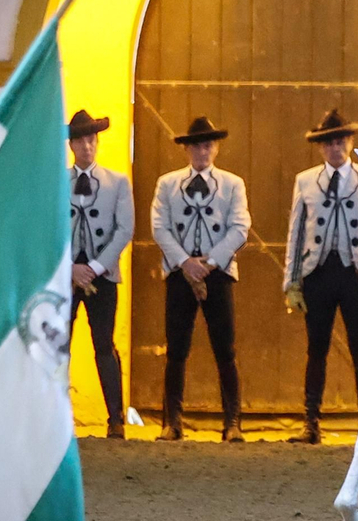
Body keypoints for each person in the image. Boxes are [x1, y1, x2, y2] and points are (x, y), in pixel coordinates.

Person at [150, 116, 251, 442]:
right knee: (176, 349)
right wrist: (184, 262)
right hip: (180, 272)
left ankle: (232, 422)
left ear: (216, 148)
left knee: (225, 349)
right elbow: (159, 227)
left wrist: (209, 262)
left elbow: (240, 228)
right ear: (187, 150)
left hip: (216, 273)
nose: (202, 152)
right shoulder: (168, 184)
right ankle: (172, 421)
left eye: (207, 146)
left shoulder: (232, 184)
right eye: (196, 146)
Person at [282, 109, 358, 444]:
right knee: (316, 348)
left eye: (340, 141)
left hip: (357, 272)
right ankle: (311, 422)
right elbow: (296, 233)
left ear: (349, 143)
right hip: (318, 273)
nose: (335, 148)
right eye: (328, 143)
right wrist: (292, 282)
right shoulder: (306, 180)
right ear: (321, 147)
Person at [65, 109, 134, 439]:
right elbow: (45, 230)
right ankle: (56, 418)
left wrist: (93, 267)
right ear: (72, 145)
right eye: (80, 140)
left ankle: (115, 418)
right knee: (58, 346)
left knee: (104, 344)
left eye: (91, 139)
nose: (87, 146)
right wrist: (69, 267)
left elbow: (124, 230)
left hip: (102, 276)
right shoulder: (56, 182)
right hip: (65, 276)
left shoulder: (117, 182)